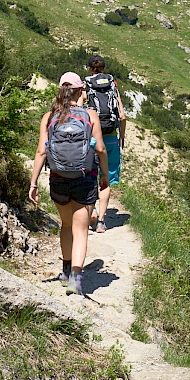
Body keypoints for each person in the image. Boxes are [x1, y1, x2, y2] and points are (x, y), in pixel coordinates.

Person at [29, 71, 109, 297]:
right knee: (81, 230)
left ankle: (65, 271)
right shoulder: (90, 115)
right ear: (80, 91)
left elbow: (41, 151)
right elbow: (101, 149)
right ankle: (75, 278)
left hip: (58, 178)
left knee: (66, 225)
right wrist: (104, 175)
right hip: (85, 177)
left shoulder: (49, 116)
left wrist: (33, 182)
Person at [84, 55, 126, 234]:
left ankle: (90, 215)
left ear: (89, 69)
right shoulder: (112, 85)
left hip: (93, 139)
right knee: (105, 181)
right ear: (104, 68)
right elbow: (122, 116)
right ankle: (101, 221)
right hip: (111, 138)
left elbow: (80, 111)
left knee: (90, 178)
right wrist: (121, 136)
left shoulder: (87, 86)